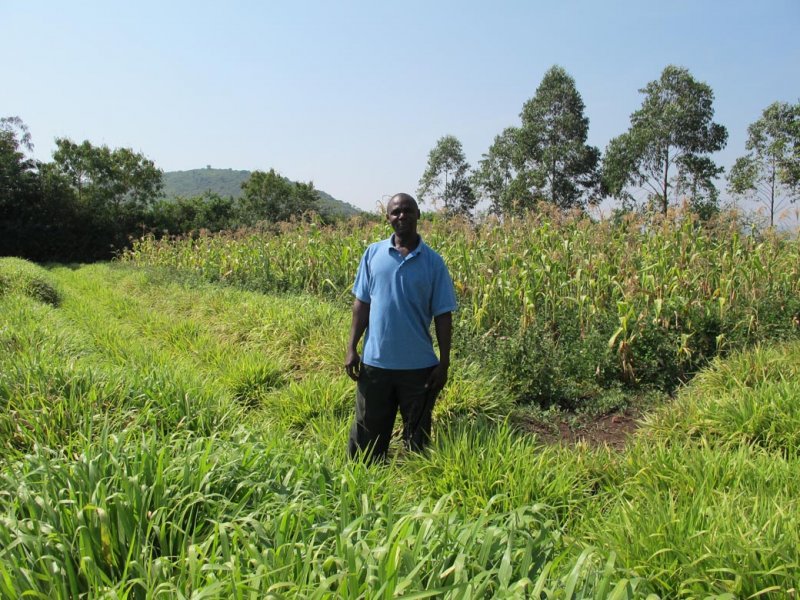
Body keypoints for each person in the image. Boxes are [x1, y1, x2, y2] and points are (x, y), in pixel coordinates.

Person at [345, 193, 457, 461]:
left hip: (418, 370)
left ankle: (416, 488)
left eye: (408, 210)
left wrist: (444, 363)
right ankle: (365, 491)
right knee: (366, 443)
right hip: (375, 365)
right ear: (388, 218)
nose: (402, 216)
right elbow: (362, 305)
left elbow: (444, 316)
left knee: (417, 442)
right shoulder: (373, 254)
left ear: (419, 214)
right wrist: (351, 348)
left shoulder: (433, 263)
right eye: (395, 212)